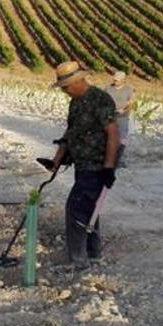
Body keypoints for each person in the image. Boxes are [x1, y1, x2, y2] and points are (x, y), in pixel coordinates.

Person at [50, 61, 120, 267]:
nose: (64, 91)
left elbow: (113, 135)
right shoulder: (75, 102)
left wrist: (109, 168)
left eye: (66, 87)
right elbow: (69, 133)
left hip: (96, 166)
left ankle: (78, 260)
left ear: (79, 81)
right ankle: (93, 253)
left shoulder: (100, 100)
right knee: (89, 209)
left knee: (76, 208)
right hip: (81, 165)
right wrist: (57, 159)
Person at [104, 70, 134, 165]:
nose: (115, 82)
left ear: (123, 80)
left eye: (117, 80)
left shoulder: (129, 90)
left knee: (121, 139)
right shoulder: (108, 88)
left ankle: (118, 160)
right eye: (114, 80)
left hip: (123, 117)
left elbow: (131, 104)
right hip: (110, 116)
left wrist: (124, 110)